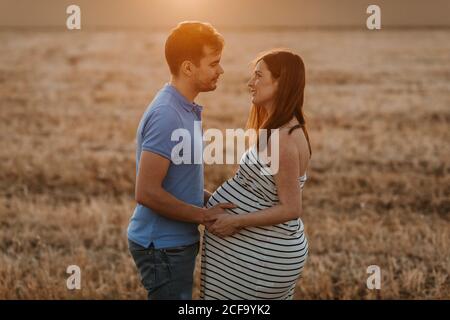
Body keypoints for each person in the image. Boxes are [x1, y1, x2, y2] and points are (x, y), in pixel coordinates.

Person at [127, 21, 235, 300]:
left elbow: (176, 182)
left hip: (173, 243)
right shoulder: (168, 114)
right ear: (188, 67)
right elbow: (147, 192)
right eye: (214, 63)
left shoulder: (185, 108)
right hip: (162, 246)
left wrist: (213, 202)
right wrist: (203, 215)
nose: (220, 70)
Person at [200, 49, 312, 300]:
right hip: (260, 254)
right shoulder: (281, 129)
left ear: (280, 82)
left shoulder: (282, 138)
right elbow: (260, 192)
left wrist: (234, 221)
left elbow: (291, 208)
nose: (251, 83)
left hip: (262, 258)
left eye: (259, 76)